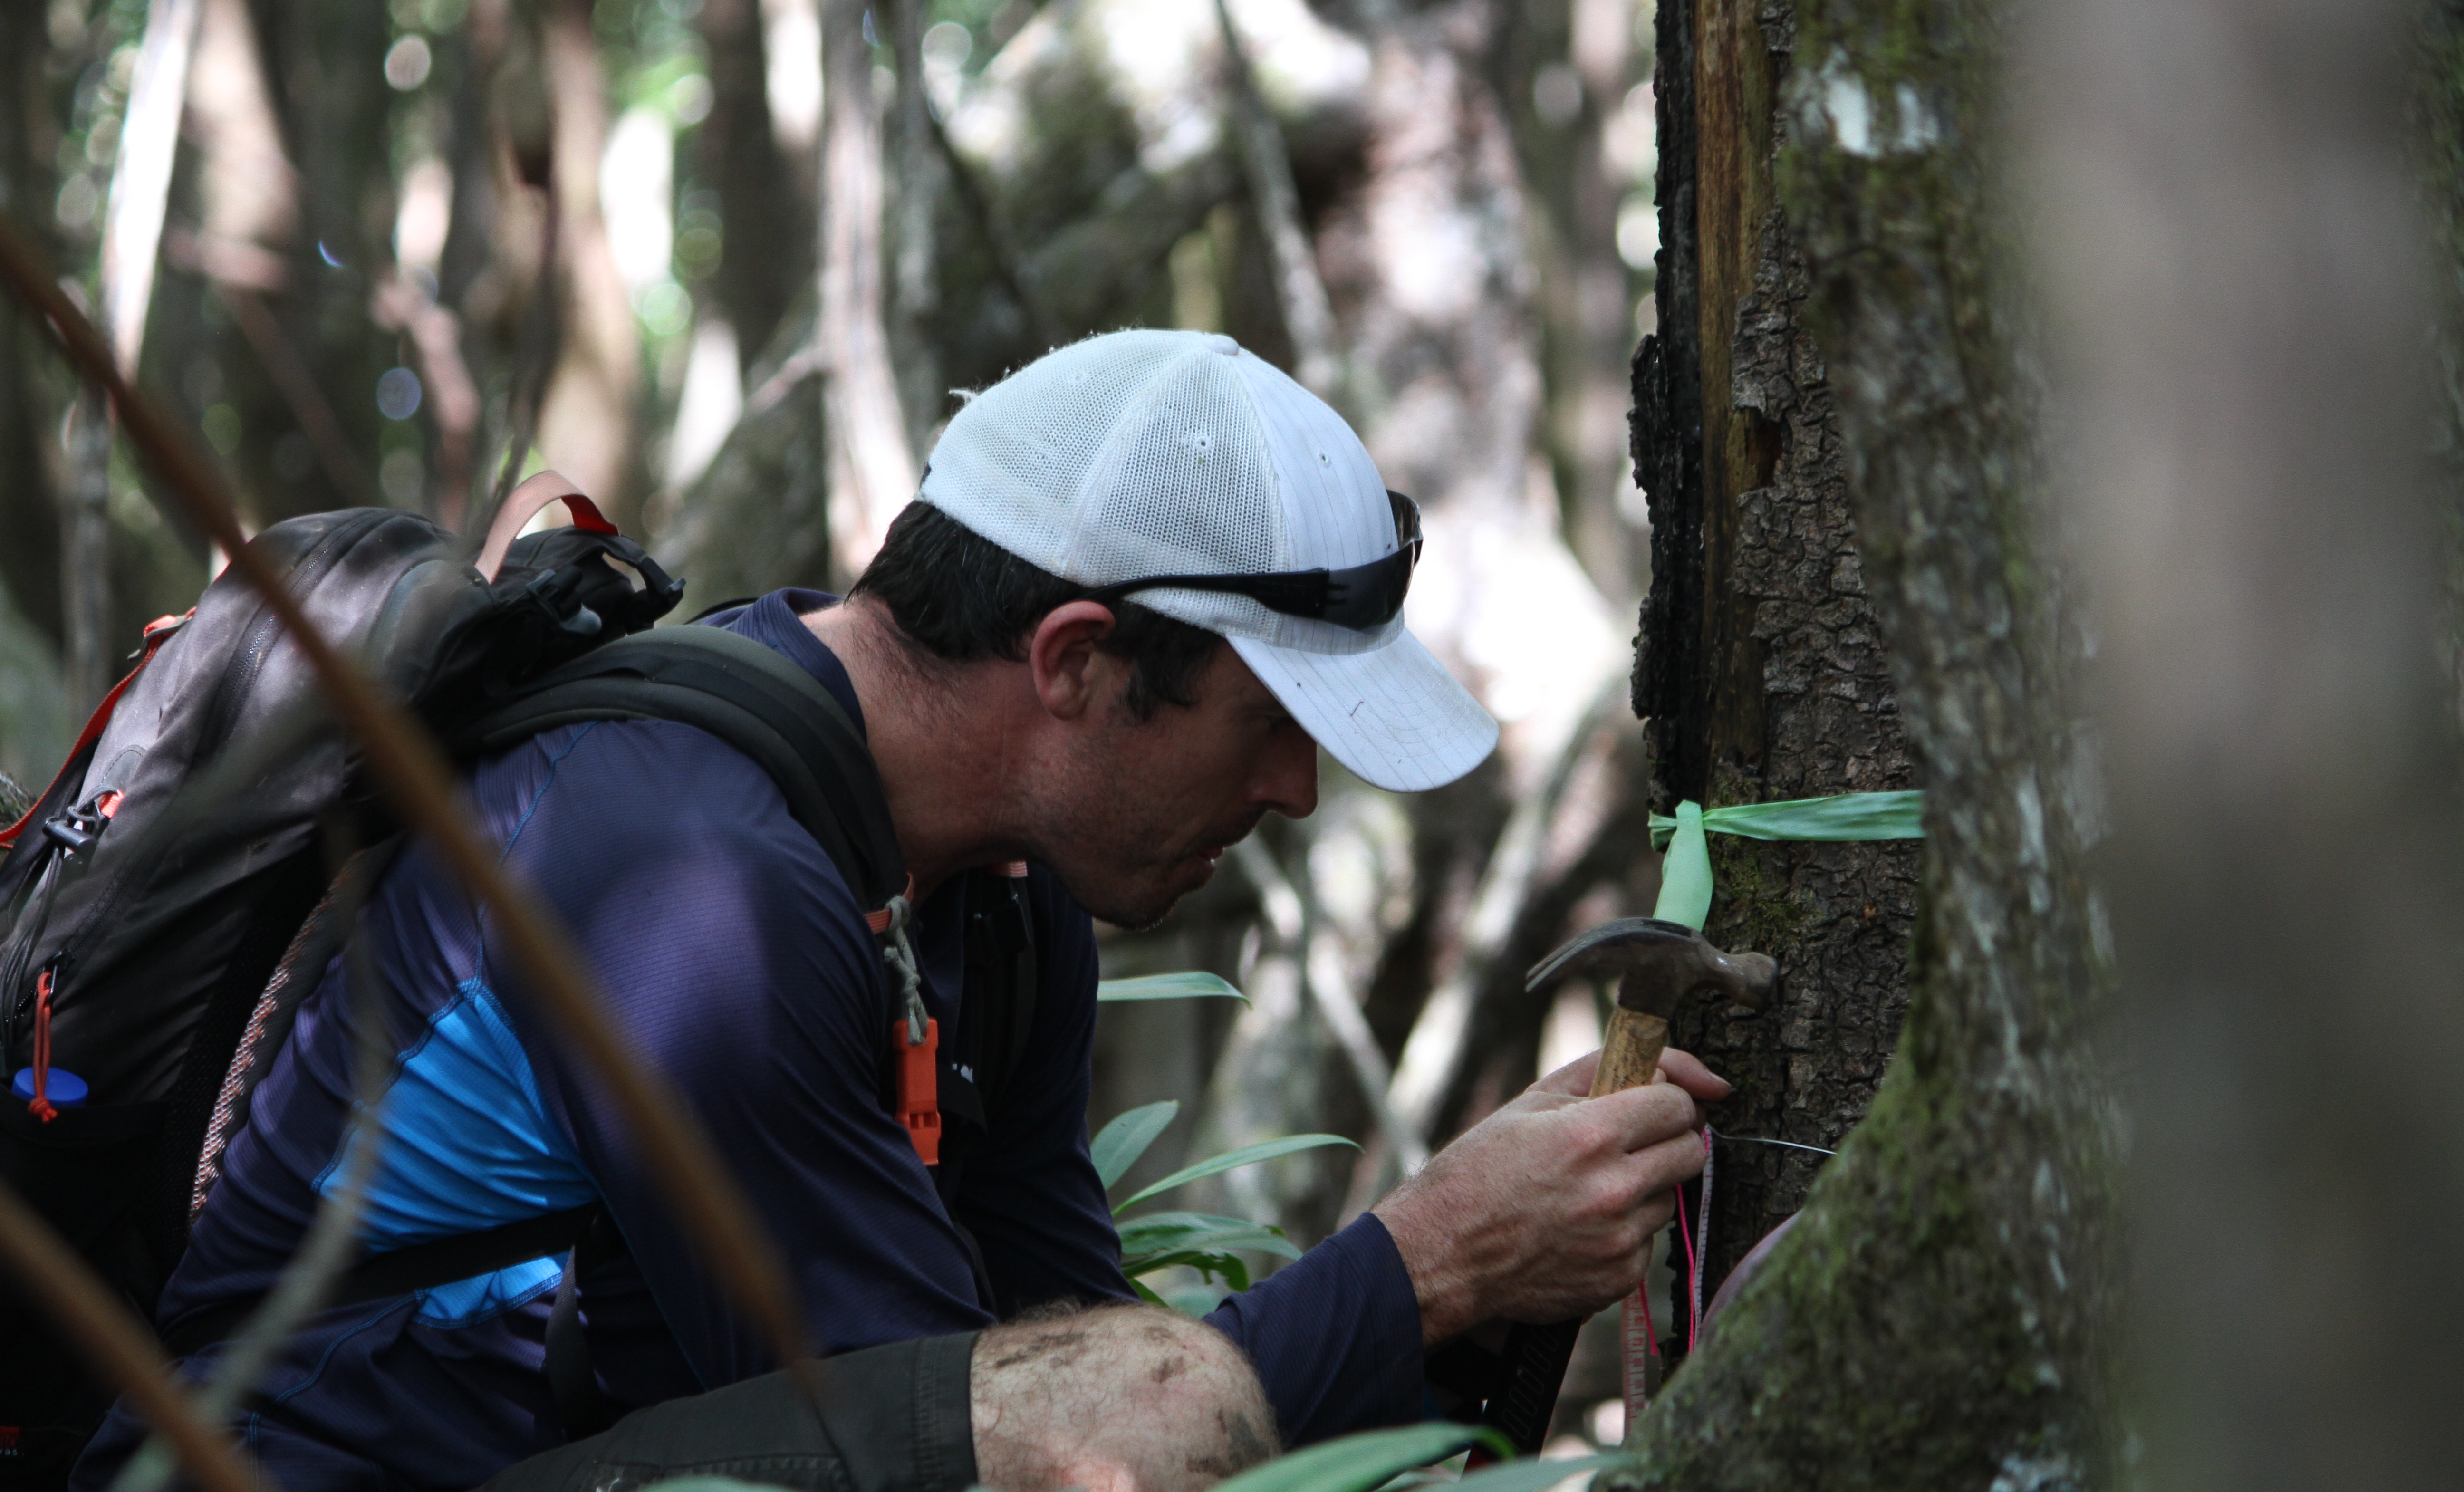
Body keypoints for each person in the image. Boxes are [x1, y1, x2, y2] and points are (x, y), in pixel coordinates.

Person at [72, 330, 1722, 1492]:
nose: (1294, 795)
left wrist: (1510, 1270)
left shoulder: (996, 899)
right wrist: (1429, 1264)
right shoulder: (692, 881)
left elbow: (1044, 1343)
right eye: (1271, 726)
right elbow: (997, 1443)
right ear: (1075, 661)